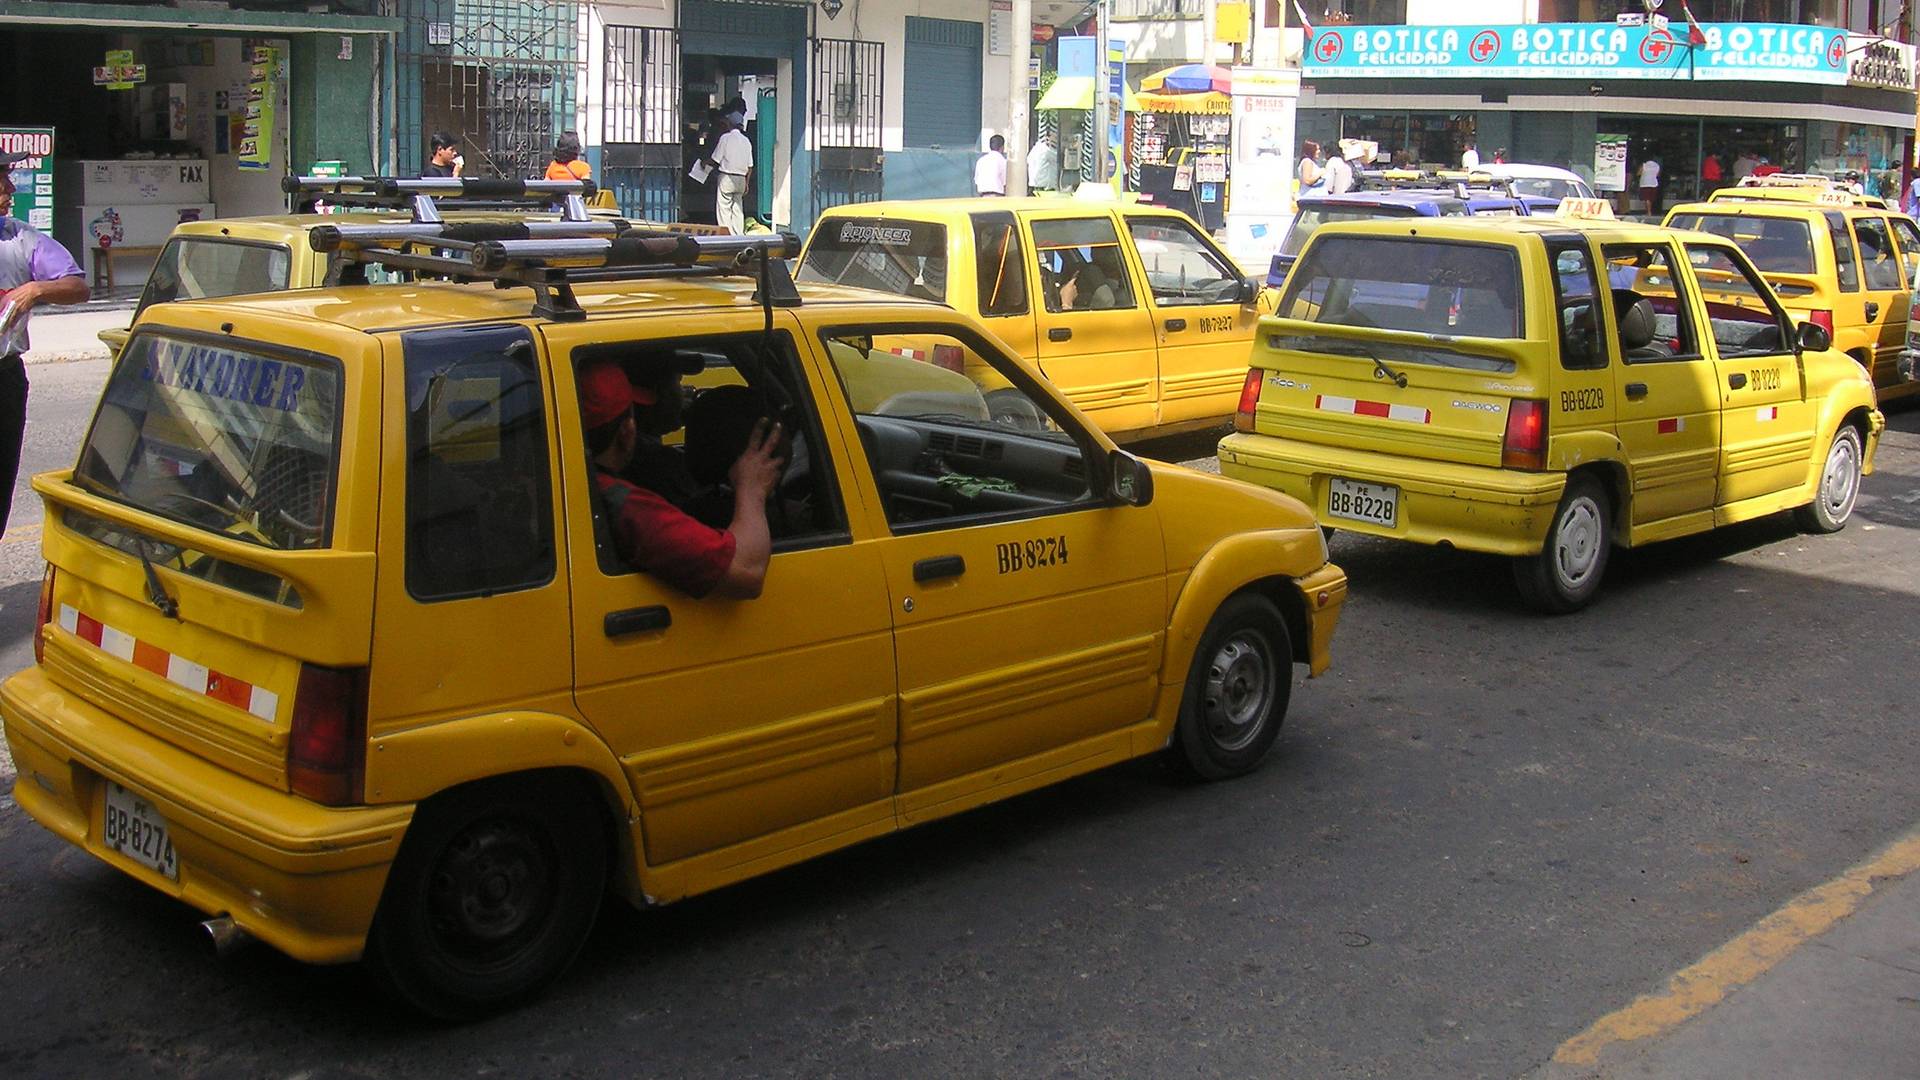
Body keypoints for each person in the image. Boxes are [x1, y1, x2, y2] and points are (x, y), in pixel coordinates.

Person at [580, 360, 783, 598]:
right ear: (627, 430)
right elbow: (746, 572)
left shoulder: (572, 487)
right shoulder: (626, 507)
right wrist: (751, 489)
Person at [0, 151, 89, 538]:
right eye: (0, 179)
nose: (9, 188)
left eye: (8, 177)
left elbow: (77, 287)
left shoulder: (21, 239)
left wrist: (37, 289)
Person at [707, 113, 753, 234]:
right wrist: (747, 183)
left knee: (724, 208)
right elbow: (750, 166)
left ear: (729, 124)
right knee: (738, 209)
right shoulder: (746, 141)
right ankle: (738, 235)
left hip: (727, 178)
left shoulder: (725, 138)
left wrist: (704, 163)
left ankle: (726, 235)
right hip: (741, 179)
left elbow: (716, 159)